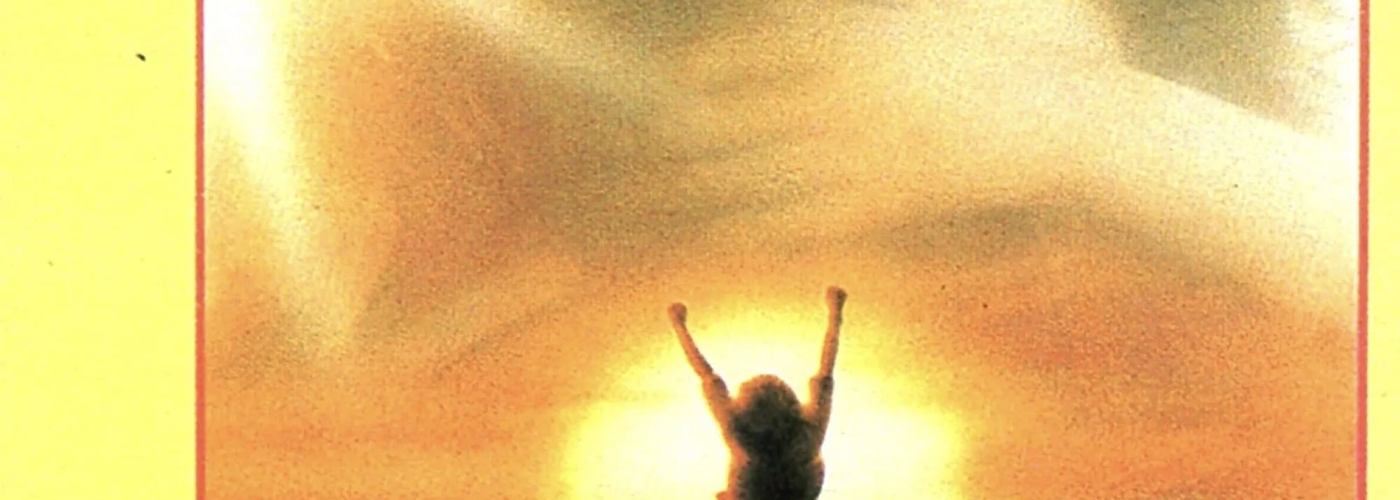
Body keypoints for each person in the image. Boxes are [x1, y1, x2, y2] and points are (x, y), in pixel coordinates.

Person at [668, 286, 847, 500]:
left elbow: (706, 375)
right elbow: (826, 370)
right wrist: (835, 313)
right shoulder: (808, 433)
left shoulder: (740, 431)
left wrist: (679, 326)